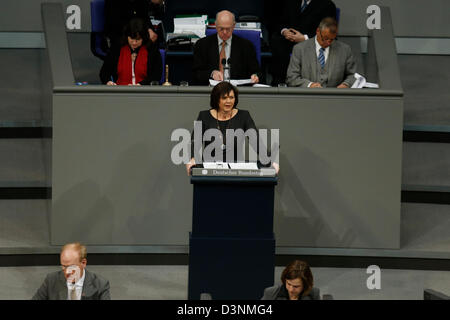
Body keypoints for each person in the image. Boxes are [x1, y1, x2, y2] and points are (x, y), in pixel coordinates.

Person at [186, 82, 279, 175]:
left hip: (235, 169)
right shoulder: (204, 116)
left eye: (231, 97)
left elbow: (255, 141)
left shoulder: (244, 116)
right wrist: (193, 159)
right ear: (216, 99)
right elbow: (195, 141)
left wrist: (269, 160)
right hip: (210, 169)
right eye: (224, 98)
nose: (228, 101)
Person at [268, 0, 337, 86]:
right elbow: (279, 22)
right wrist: (285, 31)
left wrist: (304, 38)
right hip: (289, 39)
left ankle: (305, 83)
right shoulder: (290, 2)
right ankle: (279, 82)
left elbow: (328, 31)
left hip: (312, 41)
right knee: (277, 41)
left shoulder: (327, 5)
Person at [192, 10, 261, 85]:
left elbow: (257, 72)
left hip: (238, 90)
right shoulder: (202, 45)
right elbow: (196, 73)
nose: (224, 32)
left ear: (234, 26)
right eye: (221, 28)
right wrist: (212, 73)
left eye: (228, 29)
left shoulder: (246, 46)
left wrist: (255, 76)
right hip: (211, 90)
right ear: (216, 25)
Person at [286, 17, 356, 88]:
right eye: (325, 38)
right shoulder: (299, 49)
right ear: (318, 31)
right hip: (308, 96)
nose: (328, 42)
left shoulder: (345, 50)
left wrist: (346, 84)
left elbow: (353, 75)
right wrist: (310, 85)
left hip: (334, 97)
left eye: (331, 39)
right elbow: (291, 78)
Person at [32, 242, 110, 300]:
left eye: (71, 267)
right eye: (63, 266)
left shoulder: (100, 284)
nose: (66, 272)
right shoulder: (51, 280)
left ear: (83, 263)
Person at [100, 17, 162, 85]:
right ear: (127, 36)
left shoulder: (152, 49)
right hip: (121, 91)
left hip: (144, 91)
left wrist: (141, 84)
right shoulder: (117, 48)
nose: (134, 43)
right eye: (131, 39)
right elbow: (104, 73)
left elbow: (156, 76)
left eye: (138, 40)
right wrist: (108, 82)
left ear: (144, 37)